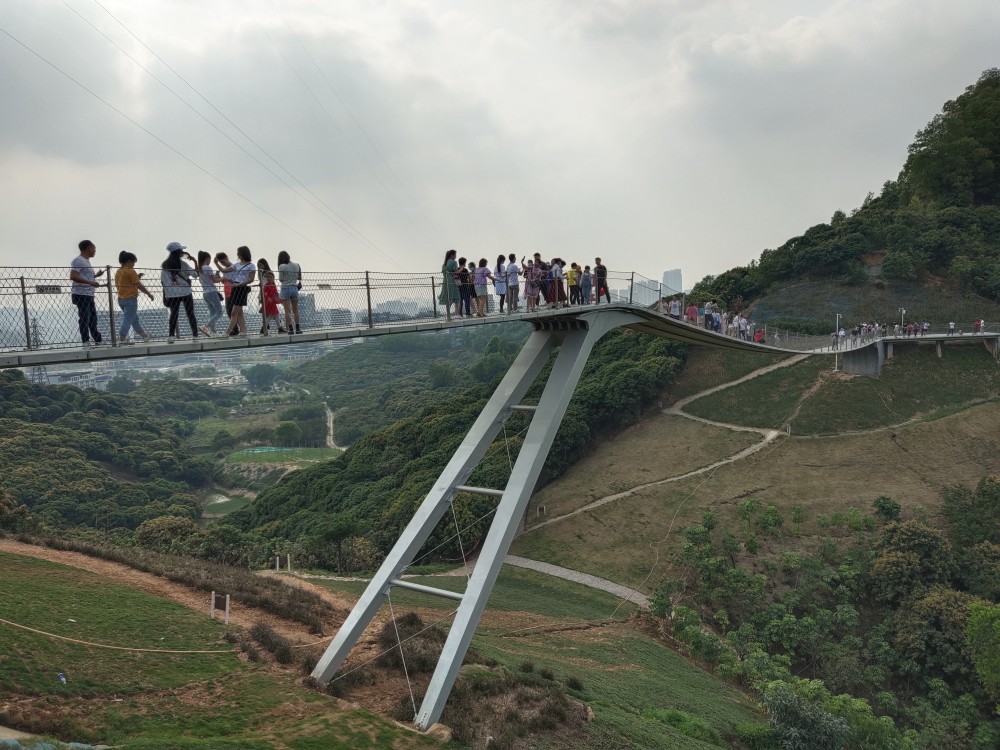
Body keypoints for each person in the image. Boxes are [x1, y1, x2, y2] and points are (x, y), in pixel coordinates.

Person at [160, 242, 200, 343]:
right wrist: (195, 261)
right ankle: (195, 335)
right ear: (179, 252)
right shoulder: (183, 264)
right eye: (181, 251)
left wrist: (168, 292)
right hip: (185, 291)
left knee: (174, 314)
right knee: (190, 313)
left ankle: (171, 336)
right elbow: (196, 275)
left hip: (173, 293)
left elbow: (163, 281)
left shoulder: (165, 266)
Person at [69, 239, 106, 347]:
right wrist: (91, 282)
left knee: (92, 319)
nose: (95, 250)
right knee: (85, 318)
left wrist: (95, 276)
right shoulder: (78, 260)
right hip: (81, 294)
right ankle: (86, 341)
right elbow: (73, 276)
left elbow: (83, 276)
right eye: (94, 248)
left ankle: (97, 340)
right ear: (89, 247)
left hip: (88, 294)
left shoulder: (86, 261)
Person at [114, 251, 153, 344]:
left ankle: (144, 336)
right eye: (133, 262)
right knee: (128, 319)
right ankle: (122, 339)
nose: (134, 265)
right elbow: (138, 285)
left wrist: (137, 277)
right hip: (130, 299)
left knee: (134, 319)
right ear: (129, 261)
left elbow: (127, 282)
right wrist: (148, 294)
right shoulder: (130, 271)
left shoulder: (119, 271)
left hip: (121, 299)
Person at [223, 245, 256, 336]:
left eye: (239, 253)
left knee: (234, 312)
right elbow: (224, 270)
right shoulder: (237, 265)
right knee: (239, 312)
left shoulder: (251, 265)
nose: (237, 255)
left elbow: (251, 279)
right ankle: (243, 331)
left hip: (242, 288)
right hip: (235, 288)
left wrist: (241, 283)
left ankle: (227, 332)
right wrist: (217, 263)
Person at [197, 251, 224, 336]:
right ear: (207, 258)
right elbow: (215, 280)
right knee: (219, 312)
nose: (210, 261)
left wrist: (216, 275)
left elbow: (209, 279)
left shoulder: (200, 268)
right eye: (210, 259)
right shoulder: (208, 268)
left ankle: (213, 331)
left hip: (205, 293)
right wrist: (224, 277)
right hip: (211, 292)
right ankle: (206, 326)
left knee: (212, 312)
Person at [277, 250, 303, 334]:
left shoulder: (282, 266)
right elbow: (299, 277)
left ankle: (291, 329)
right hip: (294, 288)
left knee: (287, 311)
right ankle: (298, 328)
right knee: (296, 310)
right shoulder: (297, 265)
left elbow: (281, 279)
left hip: (285, 288)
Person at [439, 249, 460, 317]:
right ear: (452, 255)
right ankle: (457, 313)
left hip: (445, 281)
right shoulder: (454, 262)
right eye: (455, 255)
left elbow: (444, 273)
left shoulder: (444, 264)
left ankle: (448, 314)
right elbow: (456, 271)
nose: (455, 256)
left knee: (448, 298)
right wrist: (461, 269)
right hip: (452, 281)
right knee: (456, 297)